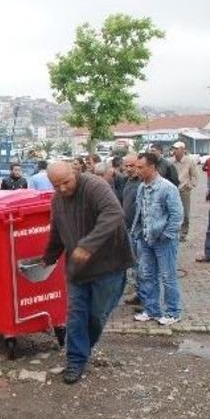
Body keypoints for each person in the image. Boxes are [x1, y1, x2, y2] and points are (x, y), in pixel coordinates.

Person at [42, 161, 133, 384]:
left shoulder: (95, 186)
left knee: (96, 315)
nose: (62, 189)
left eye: (66, 182)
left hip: (108, 266)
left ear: (75, 172)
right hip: (78, 270)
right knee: (75, 315)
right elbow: (57, 231)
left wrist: (87, 245)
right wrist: (48, 258)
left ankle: (83, 348)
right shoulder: (57, 200)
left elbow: (114, 213)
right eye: (56, 186)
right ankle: (76, 360)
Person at [130, 153, 184, 325]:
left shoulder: (167, 188)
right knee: (147, 275)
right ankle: (152, 310)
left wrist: (166, 235)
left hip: (164, 241)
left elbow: (177, 216)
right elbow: (141, 212)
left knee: (168, 277)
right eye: (136, 167)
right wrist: (138, 233)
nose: (136, 170)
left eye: (140, 167)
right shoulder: (142, 187)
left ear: (152, 167)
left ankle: (173, 313)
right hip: (145, 239)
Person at [120, 153, 143, 307]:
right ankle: (138, 294)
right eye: (126, 166)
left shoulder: (143, 183)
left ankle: (143, 297)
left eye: (132, 165)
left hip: (139, 231)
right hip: (128, 229)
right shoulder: (126, 181)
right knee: (133, 264)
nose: (128, 169)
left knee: (141, 265)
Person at [171, 141, 199, 242]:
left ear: (183, 150)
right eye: (173, 148)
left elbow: (195, 175)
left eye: (177, 148)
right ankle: (174, 232)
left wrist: (190, 185)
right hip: (172, 190)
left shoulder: (189, 161)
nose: (174, 150)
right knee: (173, 212)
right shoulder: (170, 161)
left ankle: (183, 233)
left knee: (185, 213)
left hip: (184, 190)